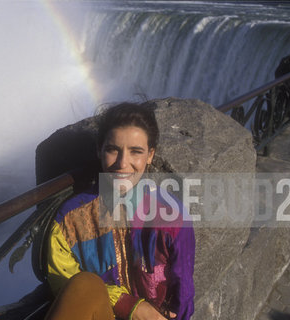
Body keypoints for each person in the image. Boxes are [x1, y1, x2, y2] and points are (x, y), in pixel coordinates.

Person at [44, 102, 195, 320]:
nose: (122, 163)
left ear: (150, 155)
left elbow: (183, 293)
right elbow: (65, 284)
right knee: (85, 284)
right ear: (99, 150)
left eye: (136, 152)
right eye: (113, 150)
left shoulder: (173, 216)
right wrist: (128, 305)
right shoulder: (69, 220)